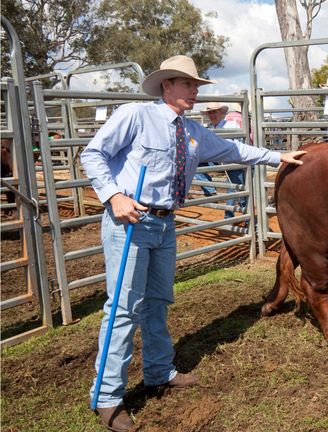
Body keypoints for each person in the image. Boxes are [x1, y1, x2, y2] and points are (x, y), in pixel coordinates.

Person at [80, 55, 305, 432]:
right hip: (130, 221)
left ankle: (158, 371)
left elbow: (235, 151)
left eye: (197, 86)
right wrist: (114, 196)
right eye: (189, 85)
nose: (196, 92)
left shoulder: (194, 132)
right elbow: (92, 154)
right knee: (123, 308)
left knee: (158, 301)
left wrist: (277, 156)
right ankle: (106, 396)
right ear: (167, 85)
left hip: (164, 225)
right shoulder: (135, 116)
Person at [201, 102, 245, 219]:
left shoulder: (230, 125)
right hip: (219, 161)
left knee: (237, 191)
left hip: (233, 162)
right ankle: (210, 189)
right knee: (197, 162)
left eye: (214, 112)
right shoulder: (210, 129)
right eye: (210, 112)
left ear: (221, 112)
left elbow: (238, 143)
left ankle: (237, 218)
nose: (212, 115)